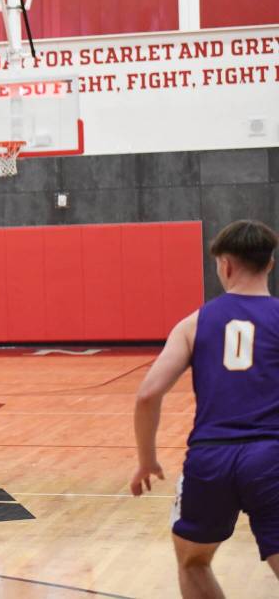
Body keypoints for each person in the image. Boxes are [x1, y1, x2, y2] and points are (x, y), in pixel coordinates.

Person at [130, 219, 279, 598]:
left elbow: (148, 394)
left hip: (210, 457)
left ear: (224, 265)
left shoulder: (194, 323)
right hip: (271, 457)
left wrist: (147, 460)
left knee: (193, 562)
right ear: (270, 264)